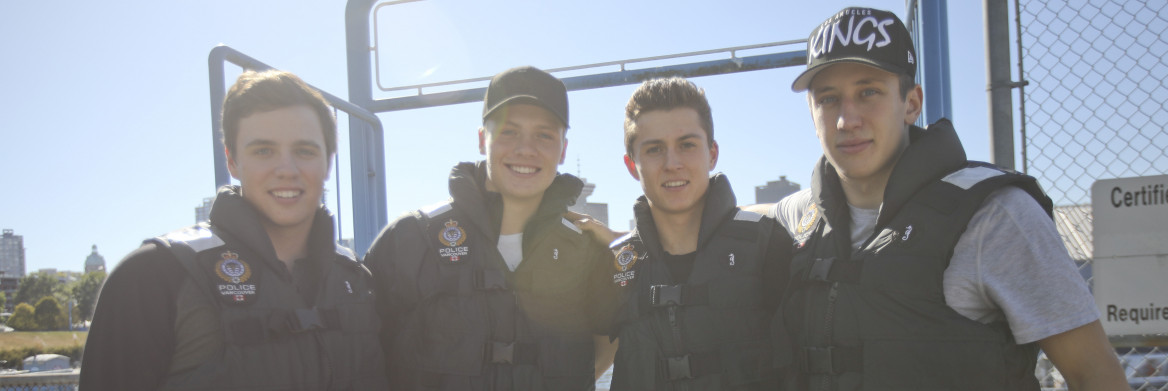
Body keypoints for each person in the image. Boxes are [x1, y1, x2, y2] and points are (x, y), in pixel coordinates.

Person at [769, 7, 1128, 390]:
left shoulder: (996, 216)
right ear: (811, 113)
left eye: (868, 92)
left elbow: (1094, 374)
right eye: (827, 99)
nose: (846, 119)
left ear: (911, 103)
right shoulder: (798, 216)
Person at [80, 70, 388, 390]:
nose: (286, 170)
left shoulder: (357, 280)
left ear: (327, 161)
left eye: (305, 151)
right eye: (263, 151)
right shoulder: (154, 276)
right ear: (232, 161)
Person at [364, 65, 619, 391]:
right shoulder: (410, 240)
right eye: (509, 131)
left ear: (563, 150)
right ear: (483, 138)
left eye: (544, 135)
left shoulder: (588, 253)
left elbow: (605, 345)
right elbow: (361, 357)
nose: (526, 149)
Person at [601, 77, 792, 390]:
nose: (672, 163)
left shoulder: (768, 246)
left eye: (687, 145)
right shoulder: (615, 267)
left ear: (712, 153)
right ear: (632, 165)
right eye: (654, 149)